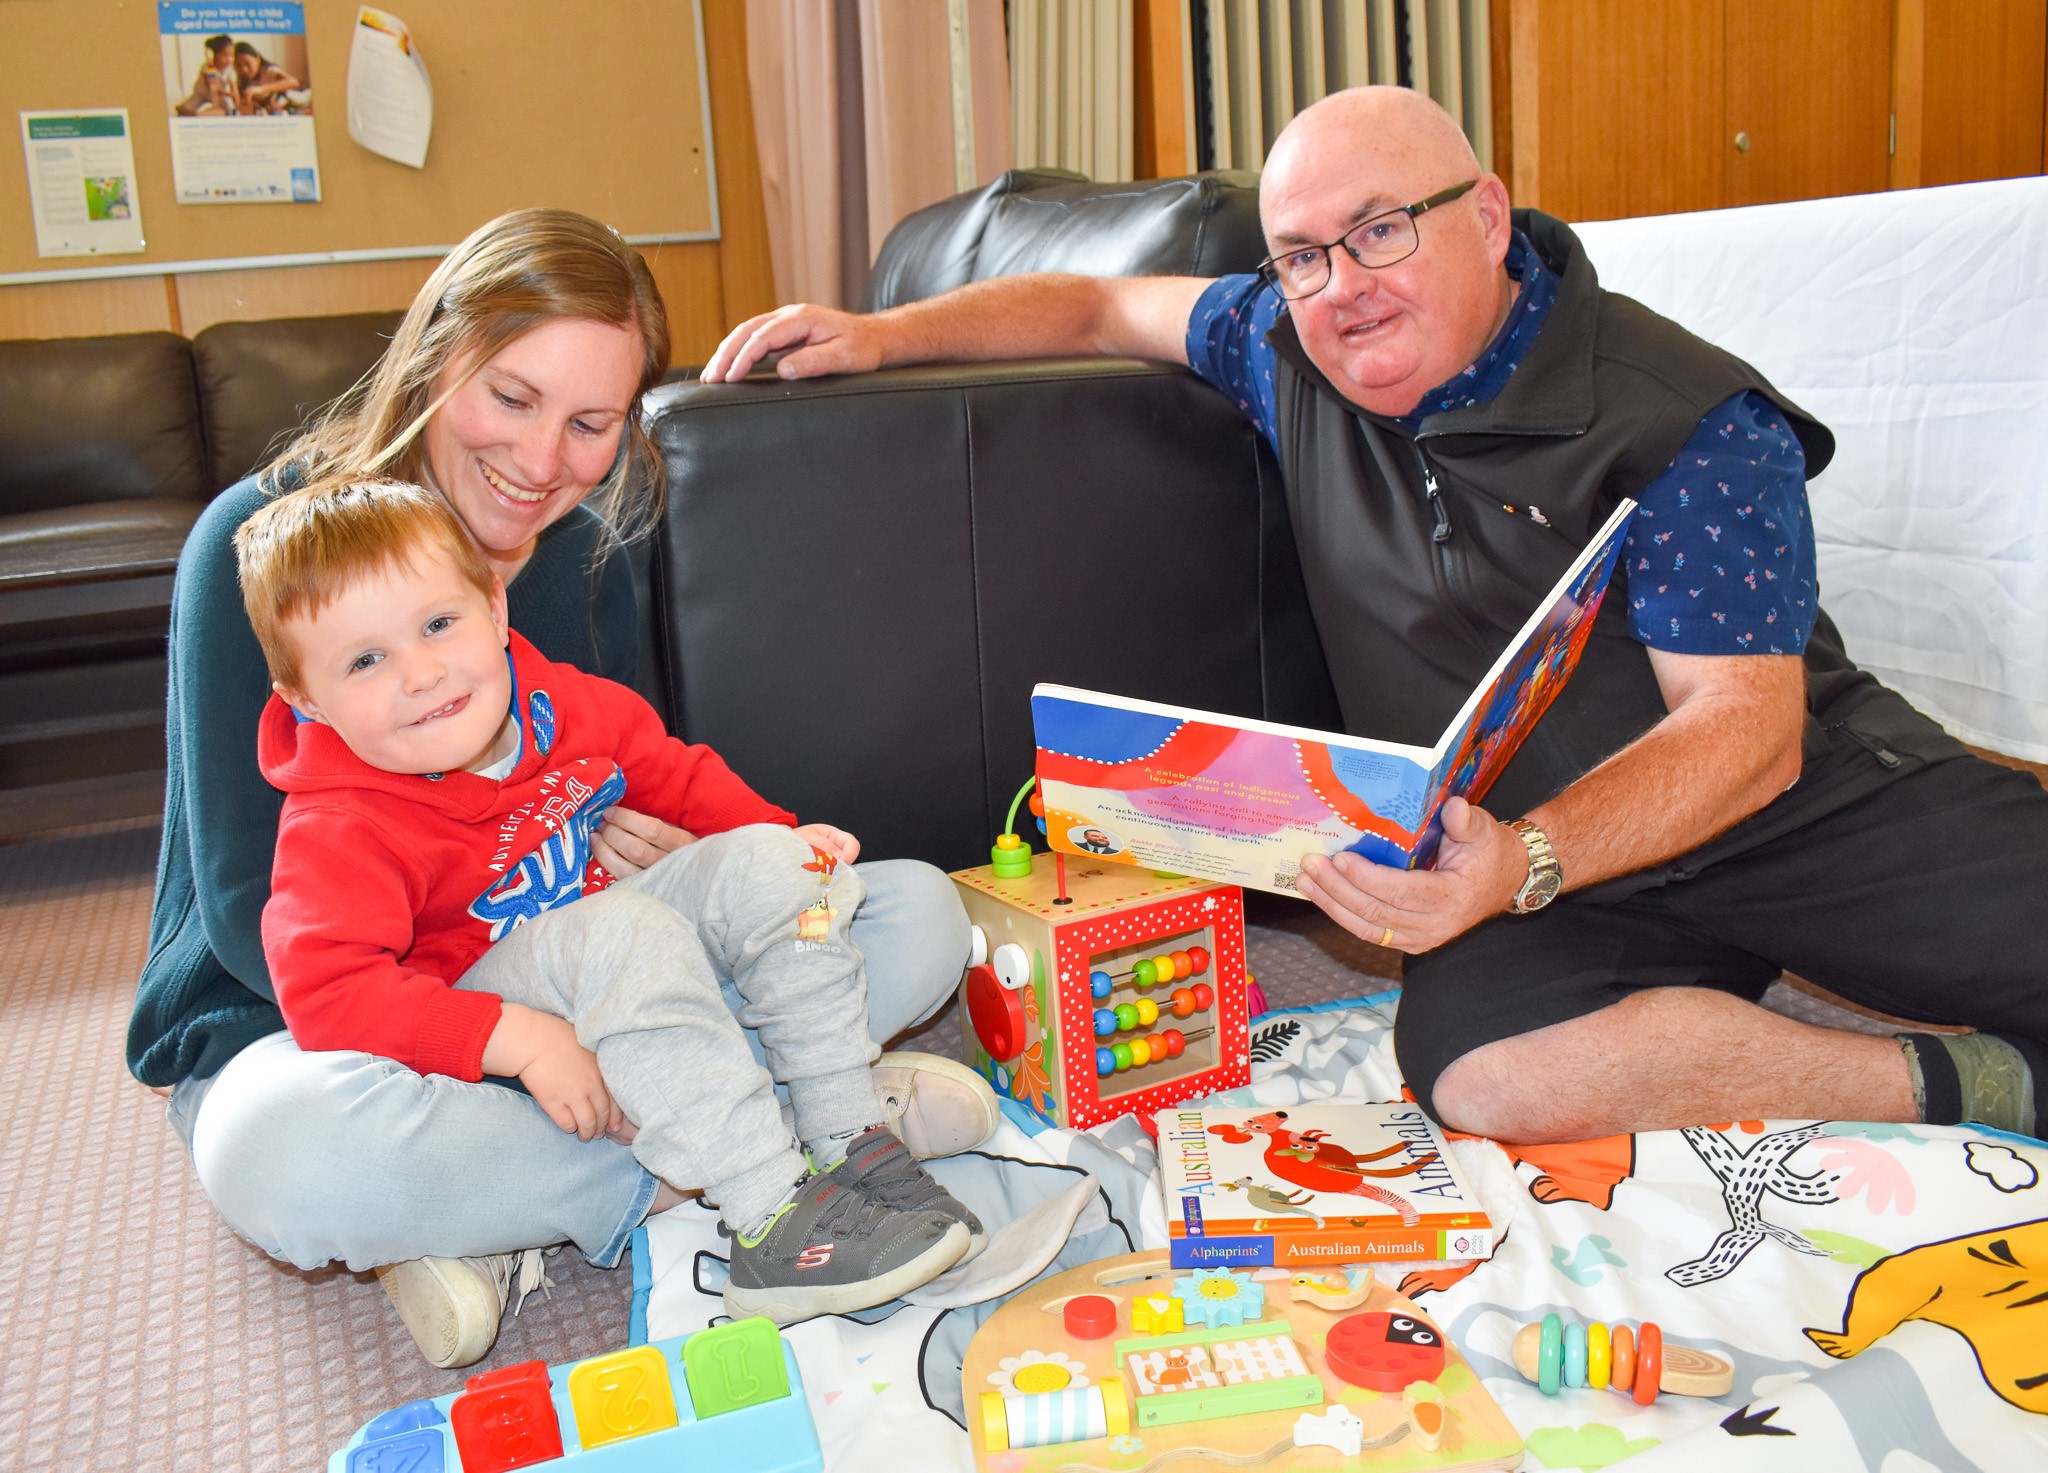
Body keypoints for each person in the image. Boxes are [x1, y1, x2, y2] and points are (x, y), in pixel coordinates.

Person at [702, 86, 2047, 1146]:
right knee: (1479, 1077)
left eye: (1381, 229)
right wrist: (885, 333)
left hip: (1773, 805)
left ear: (1489, 214)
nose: (1342, 285)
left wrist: (1523, 860)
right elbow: (1104, 299)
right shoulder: (1284, 346)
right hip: (1517, 848)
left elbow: (1749, 728)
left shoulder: (1686, 417)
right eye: (1302, 256)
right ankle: (1953, 1081)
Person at [129, 209, 990, 1368]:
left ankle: (561, 1189)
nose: (541, 464)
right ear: (437, 358)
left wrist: (741, 862)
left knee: (909, 911)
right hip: (323, 1016)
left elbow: (636, 787)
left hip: (600, 955)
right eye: (512, 398)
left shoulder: (586, 553)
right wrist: (522, 1033)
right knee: (276, 1151)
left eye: (589, 423)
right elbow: (251, 920)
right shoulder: (266, 552)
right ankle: (776, 1132)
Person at [234, 480, 980, 1325]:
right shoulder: (338, 822)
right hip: (505, 1036)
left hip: (650, 979)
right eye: (365, 661)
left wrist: (780, 843)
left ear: (492, 603)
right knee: (287, 1137)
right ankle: (770, 1205)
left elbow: (681, 776)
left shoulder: (568, 703)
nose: (423, 672)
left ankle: (845, 1131)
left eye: (438, 624)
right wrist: (515, 1038)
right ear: (304, 698)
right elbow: (328, 991)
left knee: (836, 885)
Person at [174, 34, 238, 116]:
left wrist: (235, 97)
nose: (229, 60)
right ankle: (190, 112)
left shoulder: (230, 69)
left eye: (231, 56)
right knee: (187, 107)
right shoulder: (209, 67)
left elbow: (234, 87)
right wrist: (227, 93)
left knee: (228, 108)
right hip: (202, 93)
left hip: (219, 95)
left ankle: (203, 114)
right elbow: (211, 85)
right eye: (224, 56)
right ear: (214, 55)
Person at [232, 41, 303, 114]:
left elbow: (294, 82)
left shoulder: (269, 70)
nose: (244, 69)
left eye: (247, 63)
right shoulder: (240, 79)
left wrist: (262, 89)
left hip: (285, 104)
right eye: (238, 65)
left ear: (257, 58)